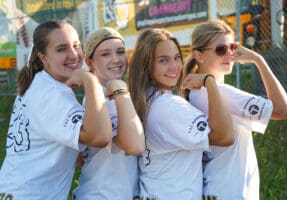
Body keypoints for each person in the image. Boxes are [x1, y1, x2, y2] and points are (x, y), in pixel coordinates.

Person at [0, 20, 114, 199]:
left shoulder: (38, 82)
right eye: (61, 49)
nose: (74, 55)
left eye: (76, 46)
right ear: (43, 57)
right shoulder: (51, 94)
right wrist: (90, 81)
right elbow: (100, 137)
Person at [183, 19, 287, 200]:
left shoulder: (195, 92)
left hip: (215, 189)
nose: (228, 54)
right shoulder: (222, 93)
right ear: (199, 55)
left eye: (232, 47)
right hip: (231, 192)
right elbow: (284, 110)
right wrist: (259, 60)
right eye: (220, 49)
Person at [128, 28, 234, 200]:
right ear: (146, 64)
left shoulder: (146, 98)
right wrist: (209, 82)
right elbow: (225, 136)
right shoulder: (168, 106)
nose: (174, 66)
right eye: (163, 60)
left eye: (177, 57)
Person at [72, 27, 145, 200]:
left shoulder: (120, 96)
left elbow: (81, 157)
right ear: (89, 63)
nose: (116, 60)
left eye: (120, 52)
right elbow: (133, 146)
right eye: (105, 54)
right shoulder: (97, 102)